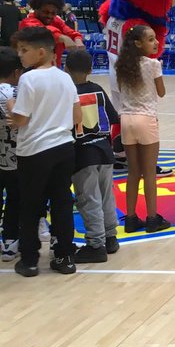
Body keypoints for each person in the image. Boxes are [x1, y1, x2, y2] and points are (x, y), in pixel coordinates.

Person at [6, 25, 83, 276]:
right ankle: (64, 258)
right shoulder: (65, 77)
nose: (20, 55)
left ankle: (29, 260)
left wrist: (11, 106)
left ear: (41, 52)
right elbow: (77, 115)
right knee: (62, 203)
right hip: (63, 148)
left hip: (34, 151)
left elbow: (21, 120)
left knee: (30, 206)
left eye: (24, 50)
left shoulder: (29, 78)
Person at [64, 47, 120, 263]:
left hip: (82, 153)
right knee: (106, 195)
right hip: (105, 151)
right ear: (91, 68)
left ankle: (96, 244)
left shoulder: (69, 93)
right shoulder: (97, 89)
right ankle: (110, 237)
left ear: (66, 68)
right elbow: (113, 118)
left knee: (88, 199)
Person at [115, 25, 171, 234]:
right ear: (138, 43)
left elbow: (121, 91)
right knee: (149, 173)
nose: (156, 42)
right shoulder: (153, 64)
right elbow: (162, 92)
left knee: (133, 173)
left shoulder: (121, 65)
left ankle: (130, 219)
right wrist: (159, 71)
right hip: (146, 118)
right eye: (151, 39)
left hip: (126, 119)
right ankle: (152, 218)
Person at [20, 0, 83, 67]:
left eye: (53, 13)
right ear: (36, 10)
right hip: (33, 68)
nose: (49, 16)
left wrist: (78, 40)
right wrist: (64, 38)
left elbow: (72, 32)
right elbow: (44, 32)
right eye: (45, 12)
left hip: (54, 67)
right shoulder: (27, 22)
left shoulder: (56, 20)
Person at [0, 45, 21, 261]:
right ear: (17, 73)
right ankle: (10, 241)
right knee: (15, 199)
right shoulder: (16, 93)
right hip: (16, 158)